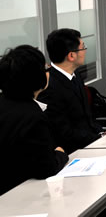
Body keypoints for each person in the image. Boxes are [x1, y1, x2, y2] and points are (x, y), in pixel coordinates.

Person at [0, 45, 69, 196]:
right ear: (37, 77)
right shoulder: (32, 116)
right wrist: (60, 154)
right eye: (45, 69)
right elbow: (46, 168)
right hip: (19, 194)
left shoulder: (5, 105)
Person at [37, 28, 102, 153]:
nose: (85, 51)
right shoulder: (49, 86)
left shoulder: (75, 73)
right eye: (83, 47)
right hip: (73, 151)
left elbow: (87, 117)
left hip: (92, 142)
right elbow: (63, 132)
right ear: (71, 55)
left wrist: (101, 133)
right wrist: (96, 139)